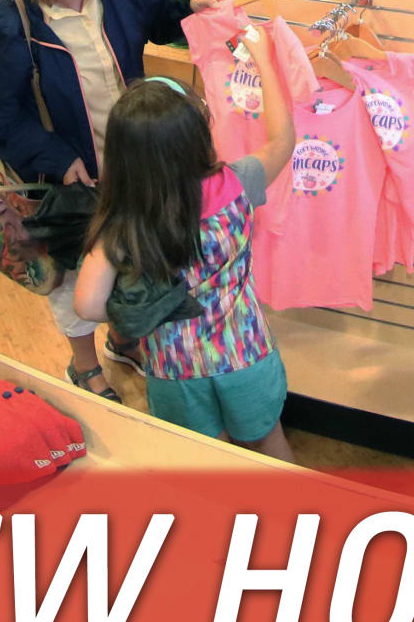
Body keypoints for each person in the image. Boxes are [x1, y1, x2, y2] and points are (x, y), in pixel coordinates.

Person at [0, 0, 228, 399]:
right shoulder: (7, 23)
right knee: (75, 273)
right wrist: (56, 159)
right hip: (74, 177)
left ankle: (124, 339)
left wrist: (187, 5)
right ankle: (84, 365)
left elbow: (153, 11)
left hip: (133, 157)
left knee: (137, 251)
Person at [72, 59, 296, 459]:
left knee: (206, 460)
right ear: (196, 136)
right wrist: (264, 60)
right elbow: (283, 140)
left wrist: (140, 305)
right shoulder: (239, 180)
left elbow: (87, 306)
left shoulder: (122, 222)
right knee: (269, 443)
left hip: (174, 367)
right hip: (247, 353)